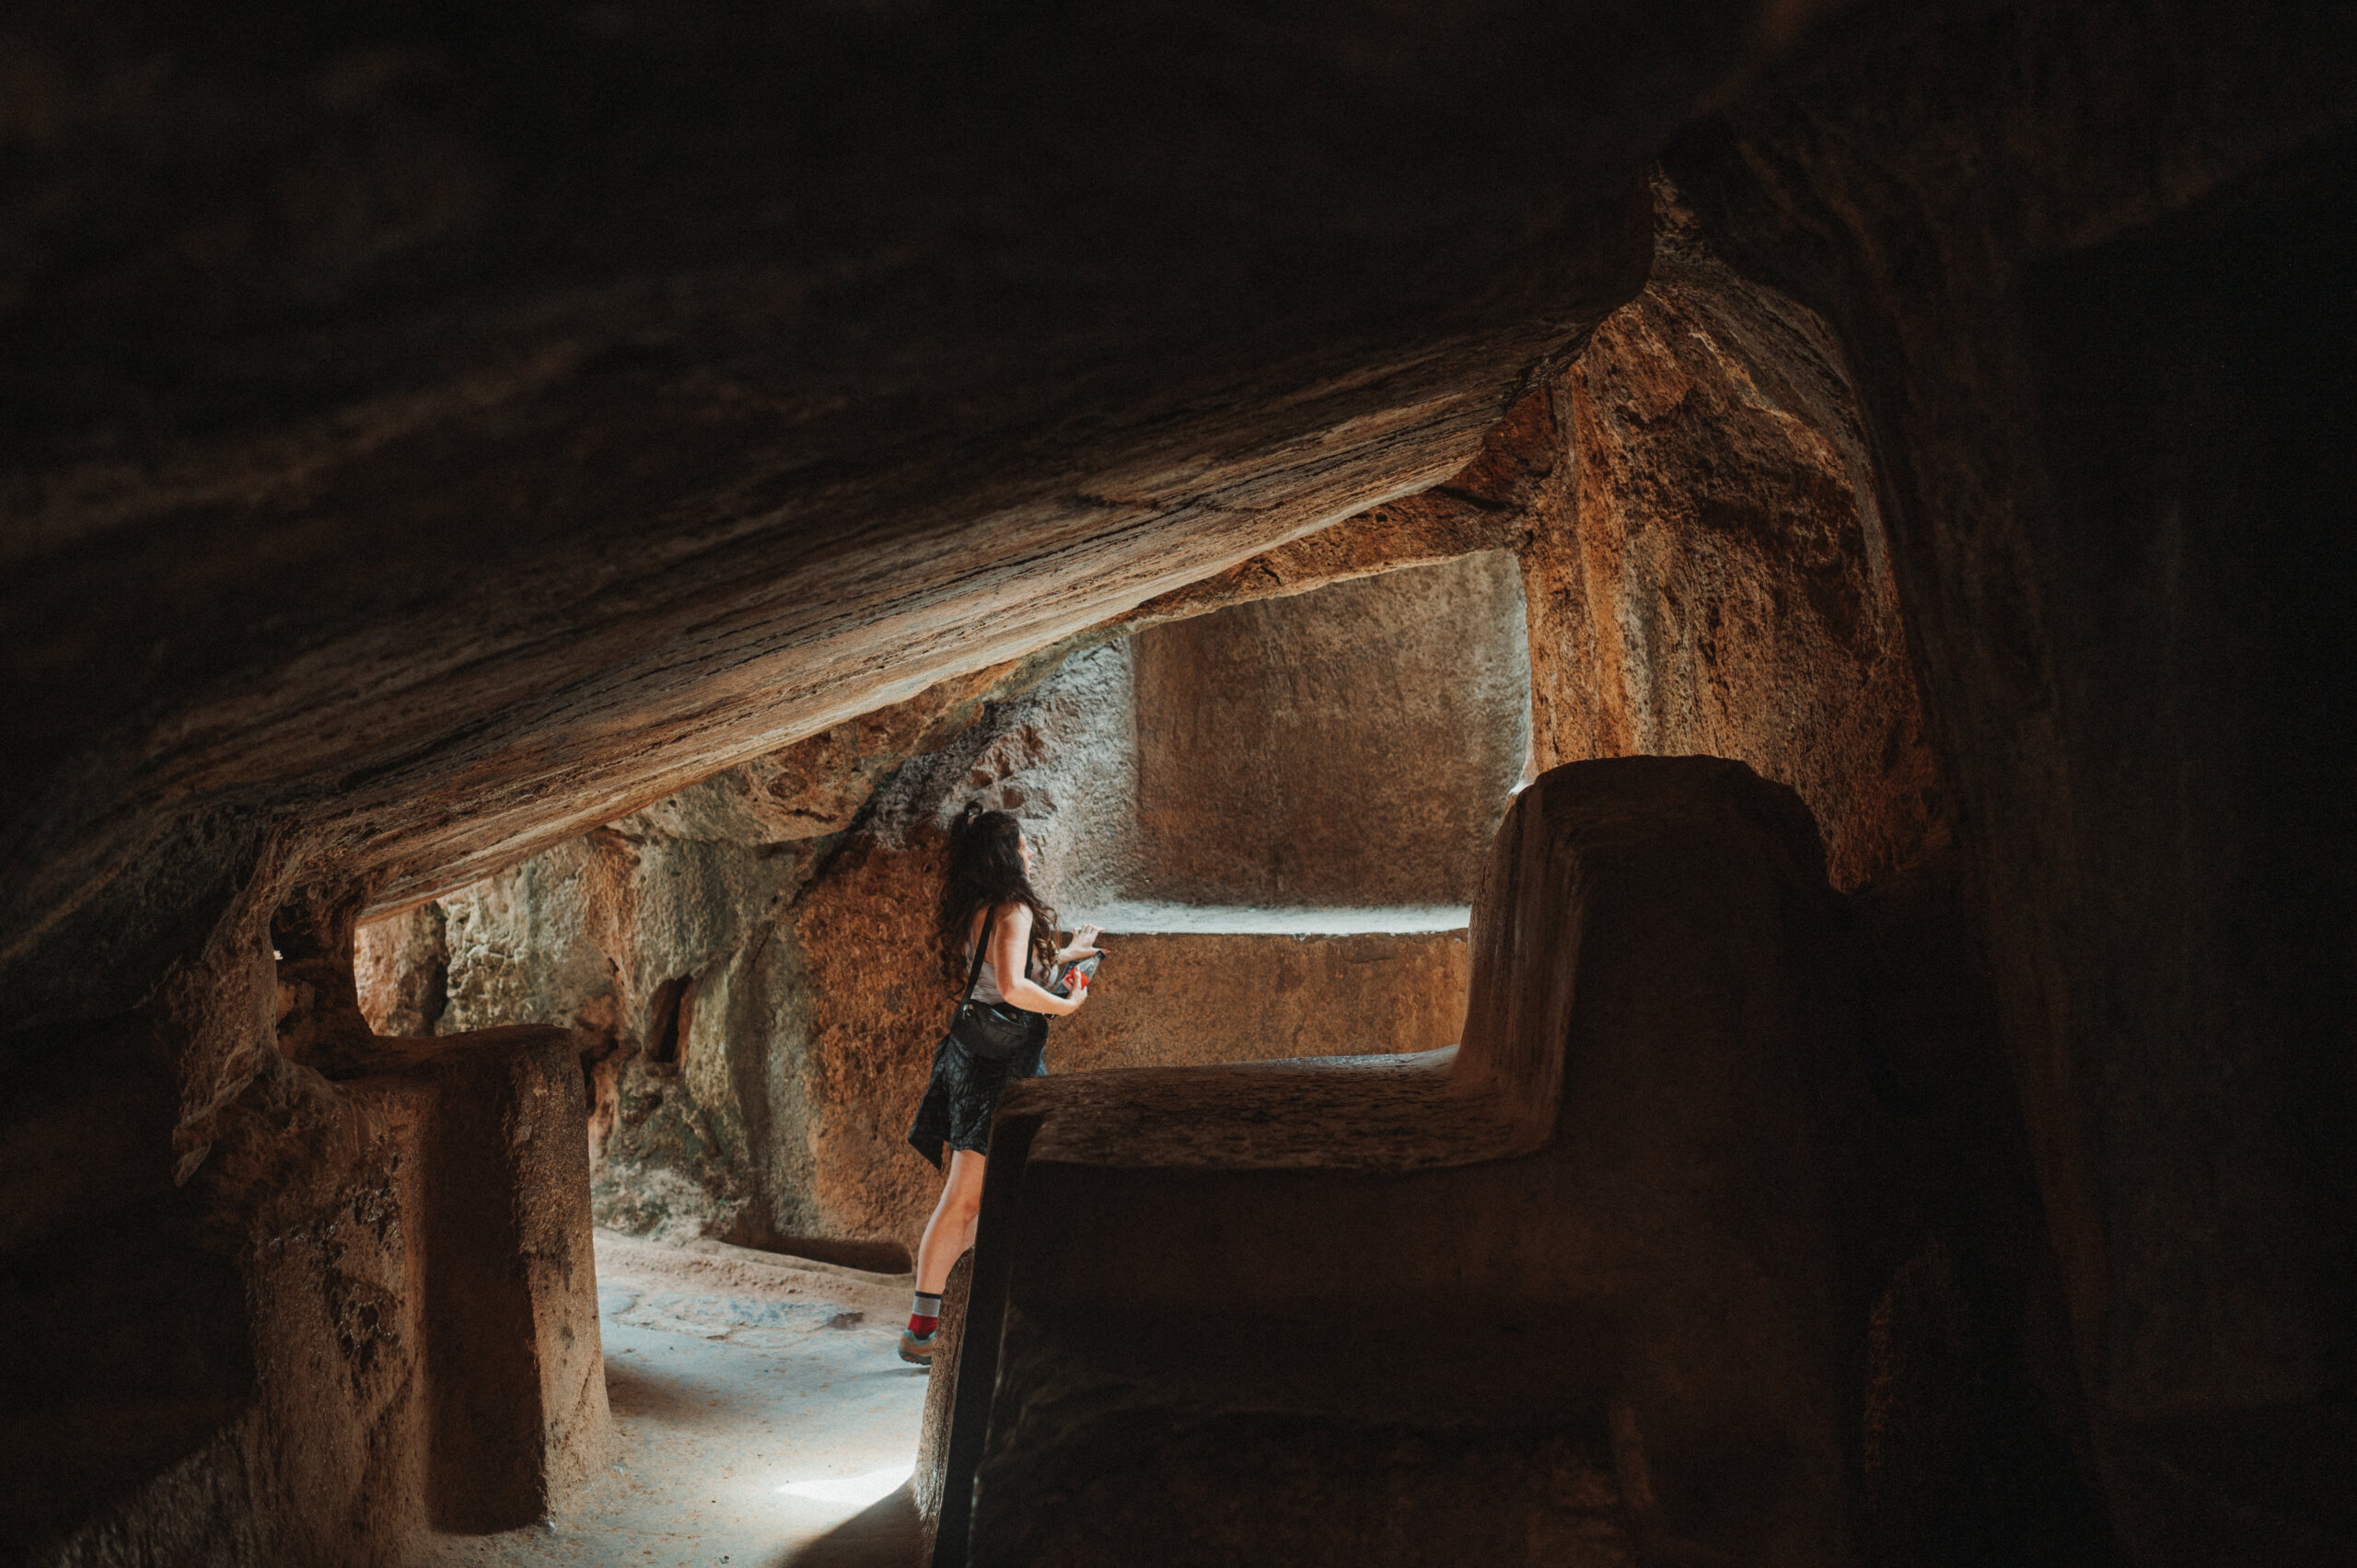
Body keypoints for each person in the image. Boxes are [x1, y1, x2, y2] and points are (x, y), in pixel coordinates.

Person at [900, 806, 1101, 1365]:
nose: (1030, 853)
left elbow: (1003, 969)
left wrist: (1068, 955)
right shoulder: (1013, 909)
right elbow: (1012, 988)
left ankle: (956, 1319)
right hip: (995, 1069)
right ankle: (921, 1334)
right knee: (964, 1199)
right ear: (1003, 855)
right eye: (1022, 845)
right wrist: (1067, 1004)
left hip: (974, 1057)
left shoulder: (982, 905)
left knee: (984, 1198)